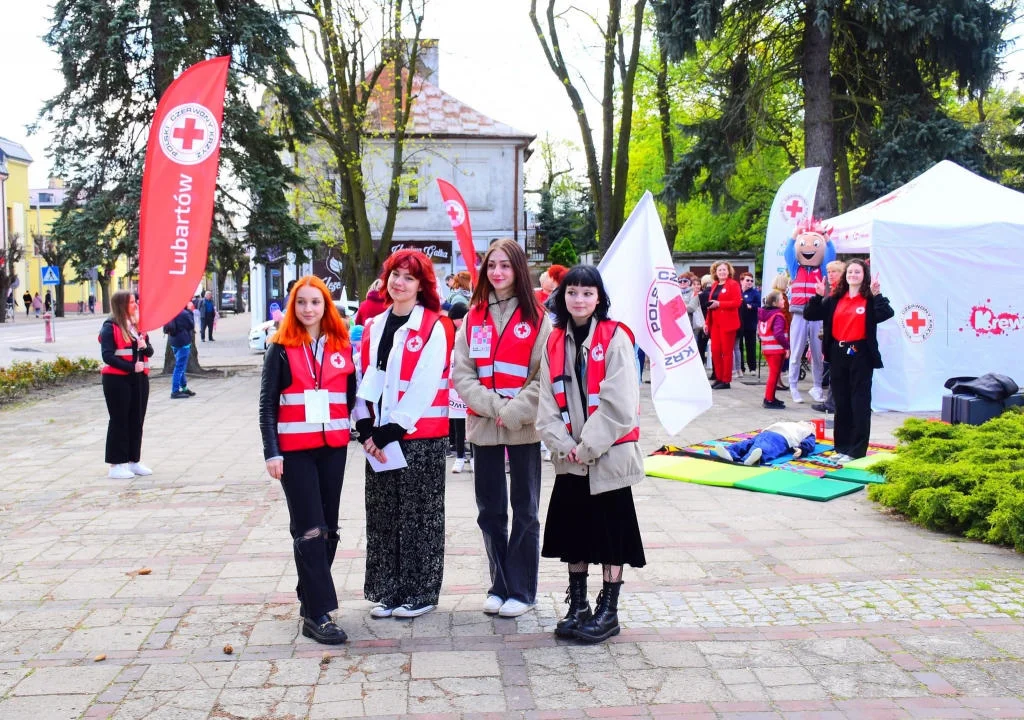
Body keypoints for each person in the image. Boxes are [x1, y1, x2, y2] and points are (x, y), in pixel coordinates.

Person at [537, 264, 646, 643]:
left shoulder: (616, 338)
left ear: (599, 298)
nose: (579, 299)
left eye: (587, 292)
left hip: (608, 457)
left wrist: (586, 447)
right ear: (562, 297)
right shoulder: (553, 341)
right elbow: (546, 403)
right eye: (572, 292)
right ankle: (578, 606)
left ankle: (608, 611)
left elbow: (620, 403)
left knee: (610, 536)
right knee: (574, 535)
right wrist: (564, 446)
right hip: (570, 461)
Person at [452, 238, 551, 618]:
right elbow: (462, 373)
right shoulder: (472, 315)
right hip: (484, 426)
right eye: (491, 265)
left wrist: (514, 412)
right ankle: (499, 584)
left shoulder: (539, 318)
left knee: (525, 508)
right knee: (490, 510)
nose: (497, 272)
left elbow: (545, 376)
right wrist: (495, 407)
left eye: (505, 265)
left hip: (523, 428)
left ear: (519, 270)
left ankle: (523, 590)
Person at [353, 249, 451, 619]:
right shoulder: (375, 325)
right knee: (383, 516)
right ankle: (388, 591)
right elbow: (367, 377)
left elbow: (424, 385)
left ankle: (420, 592)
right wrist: (365, 428)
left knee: (419, 517)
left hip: (418, 437)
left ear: (421, 285)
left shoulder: (434, 326)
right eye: (395, 274)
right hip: (378, 439)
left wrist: (389, 431)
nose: (399, 282)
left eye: (409, 277)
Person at [259, 275, 355, 645]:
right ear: (292, 307)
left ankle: (309, 596)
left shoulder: (341, 344)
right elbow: (267, 405)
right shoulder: (280, 347)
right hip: (294, 452)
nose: (308, 309)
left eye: (316, 302)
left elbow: (350, 395)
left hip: (333, 448)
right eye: (301, 302)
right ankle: (318, 614)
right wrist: (272, 451)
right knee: (309, 528)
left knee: (329, 529)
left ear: (326, 306)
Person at [804, 259, 894, 461]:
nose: (853, 275)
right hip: (838, 352)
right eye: (850, 271)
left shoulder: (868, 300)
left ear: (864, 276)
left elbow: (886, 313)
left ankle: (856, 450)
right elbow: (811, 314)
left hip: (860, 353)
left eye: (857, 272)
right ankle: (842, 448)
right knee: (841, 402)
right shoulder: (836, 298)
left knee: (859, 402)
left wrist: (877, 294)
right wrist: (818, 296)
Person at [99, 290, 154, 479]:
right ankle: (116, 465)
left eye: (135, 301)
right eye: (132, 302)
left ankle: (133, 461)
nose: (136, 305)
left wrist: (143, 345)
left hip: (139, 380)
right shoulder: (110, 327)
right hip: (117, 380)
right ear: (122, 305)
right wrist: (131, 367)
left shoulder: (138, 326)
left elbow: (151, 351)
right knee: (119, 420)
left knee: (137, 420)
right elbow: (107, 355)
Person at [784, 217, 836, 404]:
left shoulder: (821, 271)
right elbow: (788, 253)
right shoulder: (795, 269)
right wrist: (794, 236)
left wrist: (825, 236)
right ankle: (793, 386)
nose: (809, 249)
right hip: (798, 314)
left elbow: (831, 255)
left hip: (816, 315)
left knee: (817, 353)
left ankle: (816, 387)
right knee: (796, 352)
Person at [812, 260, 847, 414]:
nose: (830, 275)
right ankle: (831, 403)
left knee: (840, 373)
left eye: (835, 271)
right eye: (829, 271)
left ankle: (833, 404)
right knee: (835, 373)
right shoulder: (832, 291)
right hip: (833, 341)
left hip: (844, 342)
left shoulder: (844, 293)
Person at [705, 261, 742, 389]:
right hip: (715, 323)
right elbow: (711, 305)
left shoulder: (733, 284)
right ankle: (719, 377)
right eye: (719, 270)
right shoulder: (715, 284)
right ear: (715, 272)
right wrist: (706, 322)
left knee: (726, 352)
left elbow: (737, 302)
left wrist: (720, 304)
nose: (722, 272)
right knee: (715, 351)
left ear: (728, 271)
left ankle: (726, 380)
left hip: (728, 323)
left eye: (724, 270)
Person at [713, 421, 816, 466]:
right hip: (767, 433)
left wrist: (802, 449)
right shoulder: (792, 424)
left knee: (765, 447)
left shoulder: (808, 432)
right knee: (747, 443)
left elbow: (810, 443)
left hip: (782, 438)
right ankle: (730, 453)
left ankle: (752, 458)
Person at [447, 302, 471, 473]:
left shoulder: (472, 332)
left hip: (470, 384)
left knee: (473, 423)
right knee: (458, 423)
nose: (459, 322)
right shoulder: (449, 333)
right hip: (453, 386)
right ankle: (460, 456)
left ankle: (474, 456)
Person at [758, 291, 790, 409]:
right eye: (781, 299)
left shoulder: (764, 314)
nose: (784, 301)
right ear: (775, 302)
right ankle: (769, 399)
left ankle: (771, 397)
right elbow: (778, 334)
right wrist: (786, 347)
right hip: (776, 349)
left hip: (768, 348)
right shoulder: (778, 315)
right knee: (774, 375)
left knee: (774, 374)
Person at [163, 305, 196, 398]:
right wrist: (190, 311)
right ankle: (175, 391)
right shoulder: (184, 313)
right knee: (179, 367)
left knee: (180, 366)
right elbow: (191, 325)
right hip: (183, 342)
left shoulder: (170, 312)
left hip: (173, 341)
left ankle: (184, 388)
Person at [738, 272, 761, 375]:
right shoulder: (738, 292)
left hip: (750, 323)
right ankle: (741, 367)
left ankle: (752, 368)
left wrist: (751, 306)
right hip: (739, 323)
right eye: (747, 280)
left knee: (750, 345)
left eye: (751, 281)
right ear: (741, 281)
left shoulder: (755, 293)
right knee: (739, 346)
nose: (750, 282)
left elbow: (759, 305)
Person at [697, 274, 713, 372]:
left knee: (701, 347)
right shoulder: (715, 294)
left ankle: (700, 367)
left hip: (702, 323)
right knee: (715, 348)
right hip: (714, 323)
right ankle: (715, 371)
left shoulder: (700, 295)